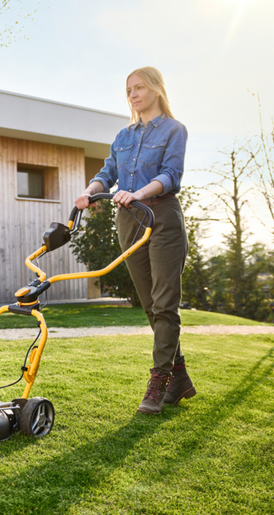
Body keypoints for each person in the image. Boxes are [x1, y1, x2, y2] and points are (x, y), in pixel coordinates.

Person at [75, 66, 196, 414]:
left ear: (157, 89)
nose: (133, 95)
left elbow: (171, 175)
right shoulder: (123, 136)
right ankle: (180, 376)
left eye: (140, 87)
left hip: (162, 216)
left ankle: (159, 381)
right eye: (129, 90)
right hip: (129, 221)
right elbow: (107, 173)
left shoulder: (174, 130)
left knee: (165, 302)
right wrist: (89, 192)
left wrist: (138, 193)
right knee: (150, 304)